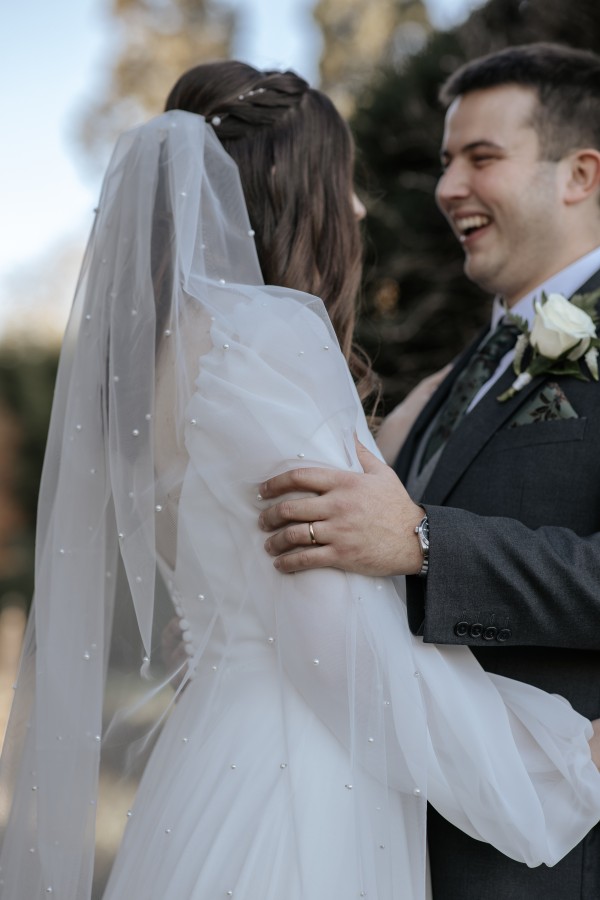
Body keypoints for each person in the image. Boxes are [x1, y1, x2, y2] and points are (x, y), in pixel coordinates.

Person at [1, 60, 600, 900]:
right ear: (291, 190)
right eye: (341, 181)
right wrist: (563, 765)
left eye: (480, 156)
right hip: (300, 790)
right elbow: (348, 648)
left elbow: (264, 576)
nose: (358, 208)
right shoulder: (262, 345)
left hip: (220, 763)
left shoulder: (166, 362)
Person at [259, 43, 600, 899]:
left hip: (554, 853)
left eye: (482, 158)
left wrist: (423, 542)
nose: (448, 187)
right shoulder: (471, 363)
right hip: (405, 839)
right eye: (447, 160)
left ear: (581, 175)